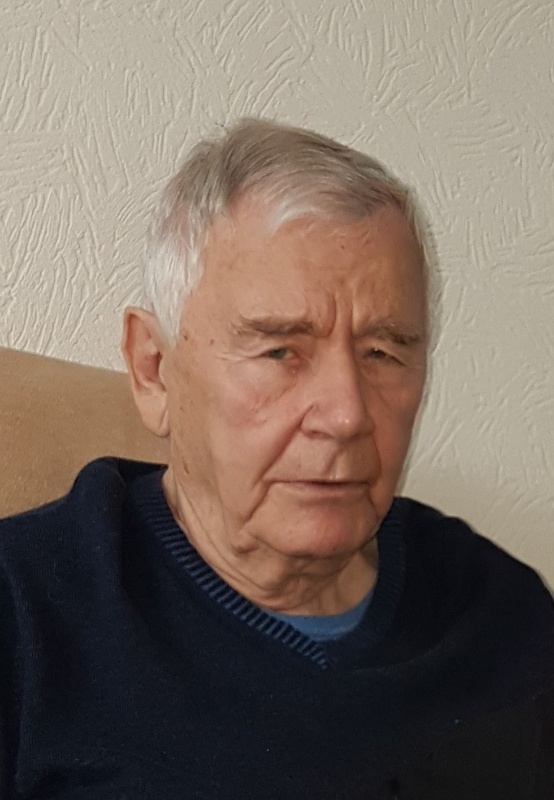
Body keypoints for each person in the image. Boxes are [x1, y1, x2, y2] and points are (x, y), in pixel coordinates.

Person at [0, 118, 552, 800]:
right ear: (154, 370)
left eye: (383, 352)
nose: (346, 414)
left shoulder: (501, 615)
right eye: (279, 350)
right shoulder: (27, 614)